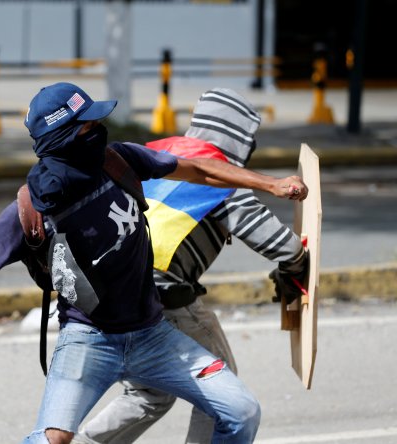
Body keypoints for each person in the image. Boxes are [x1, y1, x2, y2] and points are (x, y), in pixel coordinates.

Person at [0, 83, 307, 444]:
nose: (99, 130)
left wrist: (269, 184)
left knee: (242, 410)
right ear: (65, 141)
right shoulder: (30, 211)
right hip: (88, 341)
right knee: (52, 439)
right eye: (88, 126)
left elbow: (200, 171)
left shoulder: (118, 160)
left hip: (154, 335)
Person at [75, 88, 309, 444]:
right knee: (222, 394)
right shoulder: (221, 177)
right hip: (162, 295)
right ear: (241, 142)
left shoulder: (160, 153)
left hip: (110, 290)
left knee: (148, 395)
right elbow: (283, 246)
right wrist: (294, 268)